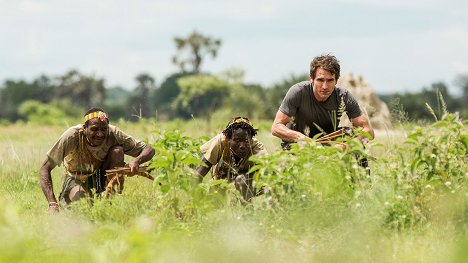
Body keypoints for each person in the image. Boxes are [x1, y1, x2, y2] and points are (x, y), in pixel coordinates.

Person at [39, 107, 155, 212]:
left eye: (104, 129)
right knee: (82, 206)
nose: (100, 134)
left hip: (101, 176)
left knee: (117, 151)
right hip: (76, 178)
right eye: (94, 129)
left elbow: (149, 149)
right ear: (85, 128)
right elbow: (45, 168)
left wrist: (137, 161)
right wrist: (52, 204)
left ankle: (111, 203)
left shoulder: (113, 133)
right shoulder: (72, 136)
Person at [271, 54, 374, 148]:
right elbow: (276, 127)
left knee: (355, 137)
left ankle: (358, 169)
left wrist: (347, 146)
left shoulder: (344, 96)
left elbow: (368, 131)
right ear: (312, 78)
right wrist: (304, 140)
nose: (325, 86)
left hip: (330, 145)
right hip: (299, 145)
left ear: (336, 80)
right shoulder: (298, 92)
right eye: (320, 80)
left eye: (330, 80)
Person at [194, 117, 266, 202]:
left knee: (242, 180)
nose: (242, 146)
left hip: (247, 182)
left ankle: (248, 211)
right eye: (237, 140)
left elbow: (269, 177)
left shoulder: (257, 148)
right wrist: (196, 200)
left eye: (246, 140)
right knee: (216, 202)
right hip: (222, 181)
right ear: (228, 139)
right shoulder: (220, 142)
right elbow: (198, 174)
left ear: (251, 140)